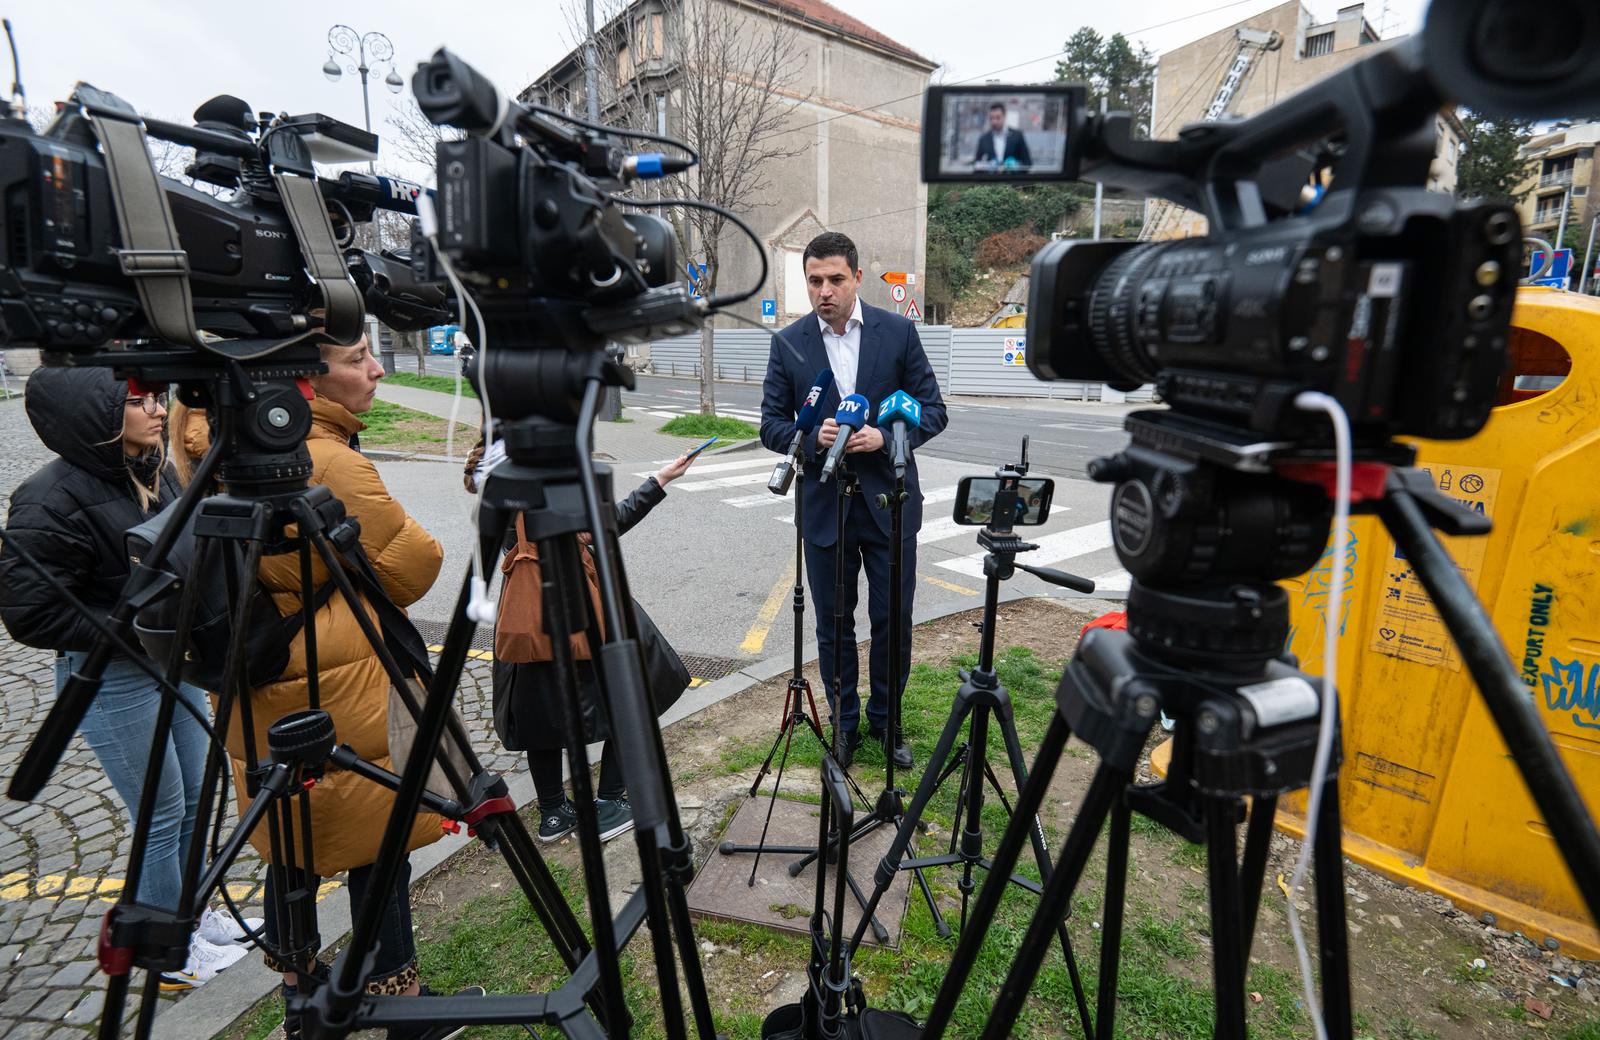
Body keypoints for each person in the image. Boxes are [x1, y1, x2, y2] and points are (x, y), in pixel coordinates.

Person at [174, 338, 479, 1040]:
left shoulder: (209, 445)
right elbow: (415, 569)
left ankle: (300, 1000)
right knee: (379, 839)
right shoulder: (332, 460)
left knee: (289, 844)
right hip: (339, 684)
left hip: (258, 690)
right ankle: (400, 1003)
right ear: (303, 376)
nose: (375, 369)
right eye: (358, 357)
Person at [0, 368, 261, 990]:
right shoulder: (47, 498)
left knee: (197, 796)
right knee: (159, 814)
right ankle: (161, 954)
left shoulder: (154, 469)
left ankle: (189, 920)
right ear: (94, 418)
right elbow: (30, 612)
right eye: (135, 400)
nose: (154, 407)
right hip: (113, 678)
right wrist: (130, 625)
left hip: (171, 664)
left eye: (154, 395)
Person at [760, 231, 948, 770]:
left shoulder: (898, 333)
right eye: (815, 280)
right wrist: (809, 432)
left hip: (889, 502)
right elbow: (771, 425)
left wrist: (886, 438)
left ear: (857, 278)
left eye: (835, 279)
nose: (825, 290)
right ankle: (844, 727)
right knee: (833, 623)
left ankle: (887, 725)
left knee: (894, 620)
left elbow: (932, 410)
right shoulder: (789, 342)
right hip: (824, 508)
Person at [470, 441, 698, 842]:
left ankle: (554, 813)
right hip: (583, 608)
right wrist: (658, 482)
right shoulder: (548, 474)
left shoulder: (494, 476)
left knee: (540, 715)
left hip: (526, 616)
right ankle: (609, 803)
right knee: (632, 699)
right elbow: (605, 525)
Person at [973, 102, 1032, 170]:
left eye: (998, 118)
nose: (994, 121)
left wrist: (1017, 166)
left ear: (1004, 116)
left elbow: (1028, 163)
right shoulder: (983, 139)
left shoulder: (1017, 136)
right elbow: (976, 165)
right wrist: (985, 166)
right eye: (991, 118)